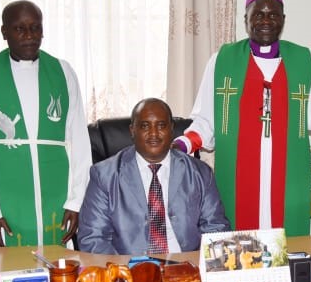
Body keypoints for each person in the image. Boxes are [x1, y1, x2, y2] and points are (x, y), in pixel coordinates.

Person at [174, 0, 311, 237]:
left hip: (289, 180)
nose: (266, 20)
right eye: (258, 14)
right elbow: (207, 122)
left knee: (288, 250)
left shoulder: (305, 61)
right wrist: (183, 144)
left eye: (273, 15)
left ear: (283, 20)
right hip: (238, 179)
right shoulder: (221, 61)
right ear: (246, 20)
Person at [0, 0, 90, 248]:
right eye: (19, 29)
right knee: (2, 268)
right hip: (3, 199)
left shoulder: (63, 72)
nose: (29, 35)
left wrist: (76, 202)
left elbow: (80, 143)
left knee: (56, 266)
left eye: (35, 28)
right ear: (4, 32)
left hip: (56, 196)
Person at [80, 98, 230, 253]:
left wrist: (197, 264)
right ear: (132, 130)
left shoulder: (200, 173)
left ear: (171, 129)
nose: (153, 134)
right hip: (127, 265)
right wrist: (122, 268)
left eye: (161, 125)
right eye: (145, 126)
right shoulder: (104, 176)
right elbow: (93, 238)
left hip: (187, 264)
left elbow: (216, 229)